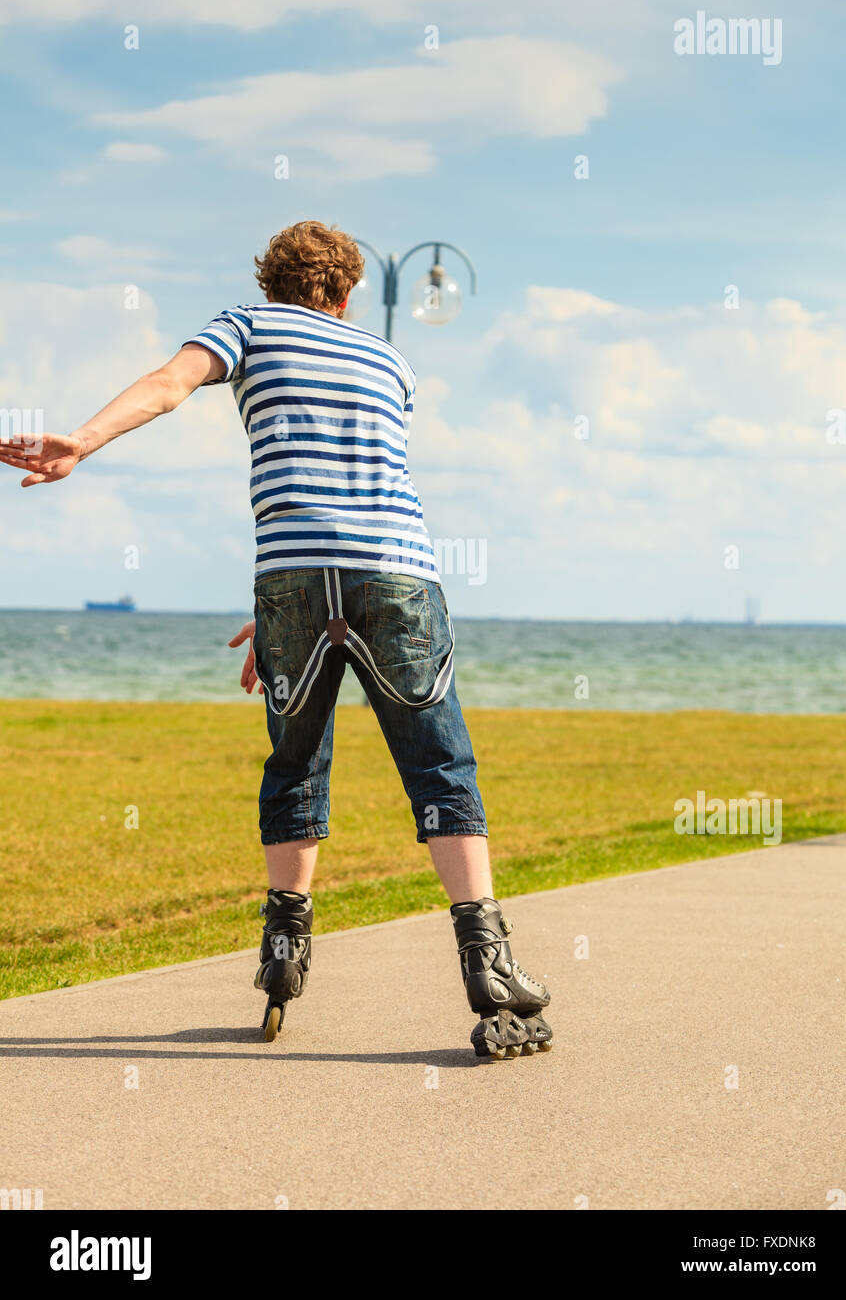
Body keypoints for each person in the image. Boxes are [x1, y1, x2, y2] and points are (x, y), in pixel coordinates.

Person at [0, 220, 552, 1059]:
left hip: (292, 579)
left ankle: (284, 949)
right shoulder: (392, 364)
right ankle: (490, 966)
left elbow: (169, 383)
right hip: (397, 574)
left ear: (271, 285)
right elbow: (359, 483)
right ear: (345, 295)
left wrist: (82, 440)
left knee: (296, 761)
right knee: (441, 764)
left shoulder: (248, 325)